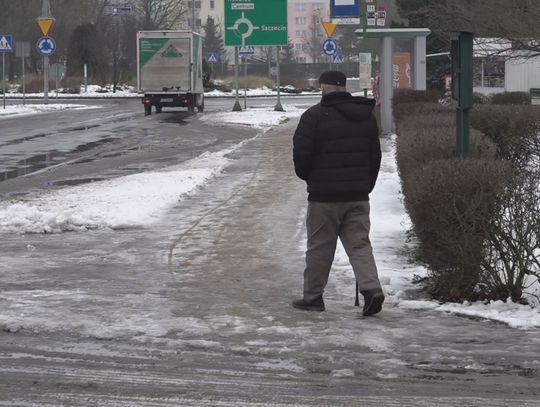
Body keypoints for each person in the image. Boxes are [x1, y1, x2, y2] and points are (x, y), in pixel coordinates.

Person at [292, 70, 384, 316]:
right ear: (344, 88)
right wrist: (365, 185)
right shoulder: (366, 117)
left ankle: (313, 297)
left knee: (320, 247)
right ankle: (372, 289)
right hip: (357, 195)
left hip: (324, 197)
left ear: (323, 88)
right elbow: (375, 155)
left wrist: (311, 178)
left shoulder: (313, 117)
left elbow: (301, 156)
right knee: (359, 245)